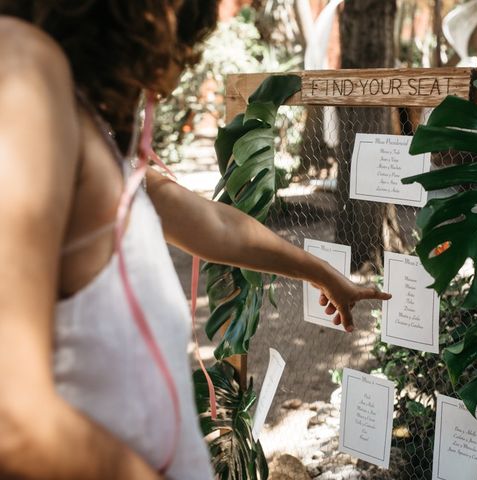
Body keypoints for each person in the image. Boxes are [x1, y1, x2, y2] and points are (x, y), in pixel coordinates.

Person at [0, 1, 391, 479]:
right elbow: (11, 416)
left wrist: (324, 274)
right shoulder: (18, 63)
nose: (177, 66)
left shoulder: (84, 126)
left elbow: (217, 225)